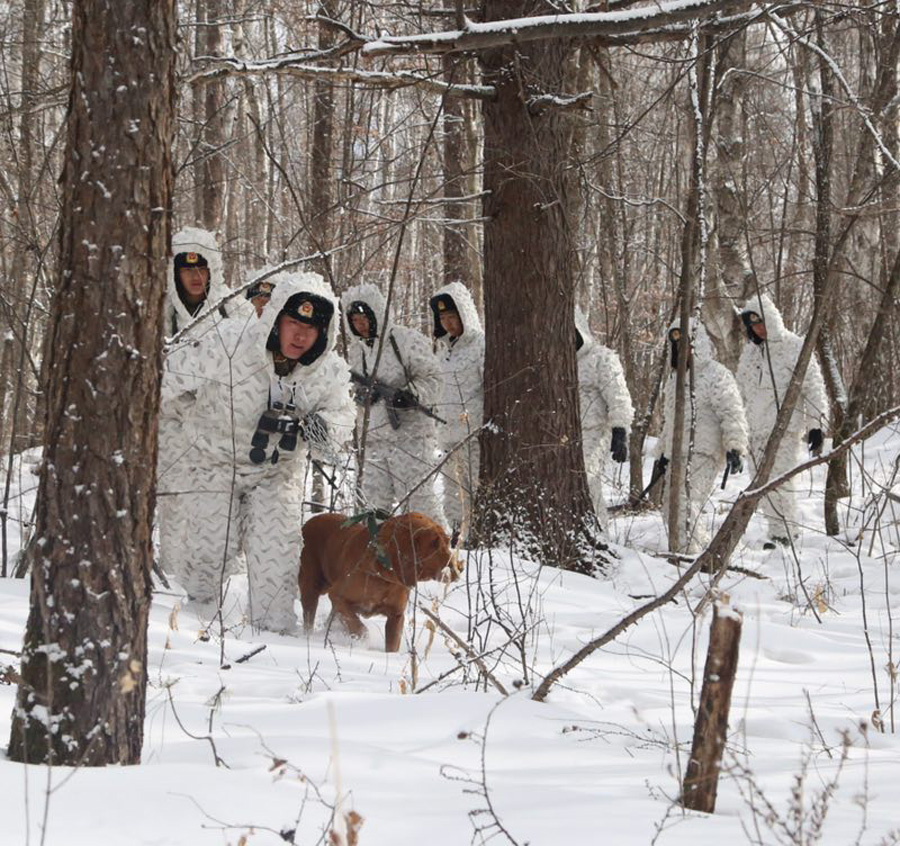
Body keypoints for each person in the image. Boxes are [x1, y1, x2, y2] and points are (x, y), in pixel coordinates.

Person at [163, 271, 354, 632]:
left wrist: (326, 427)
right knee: (208, 552)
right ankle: (196, 626)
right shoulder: (229, 343)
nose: (299, 335)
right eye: (293, 323)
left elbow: (344, 414)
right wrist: (174, 425)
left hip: (276, 473)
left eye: (310, 329)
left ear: (323, 334)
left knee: (277, 558)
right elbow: (165, 378)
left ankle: (275, 635)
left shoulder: (326, 372)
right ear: (277, 317)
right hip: (213, 464)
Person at [158, 228, 231, 583]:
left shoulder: (234, 311)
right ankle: (172, 594)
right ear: (175, 272)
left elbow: (246, 368)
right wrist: (196, 372)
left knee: (216, 522)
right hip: (171, 433)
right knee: (173, 514)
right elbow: (149, 378)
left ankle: (214, 600)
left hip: (218, 435)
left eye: (202, 268)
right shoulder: (160, 313)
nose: (196, 277)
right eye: (187, 270)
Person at [341, 283, 446, 526]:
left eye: (364, 318)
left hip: (411, 438)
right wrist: (361, 396)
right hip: (374, 440)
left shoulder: (406, 341)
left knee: (419, 506)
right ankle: (376, 556)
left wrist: (411, 394)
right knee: (372, 507)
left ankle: (437, 557)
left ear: (377, 314)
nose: (360, 325)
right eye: (354, 320)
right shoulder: (356, 352)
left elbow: (434, 378)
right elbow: (350, 388)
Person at [736, 293, 829, 547]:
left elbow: (812, 388)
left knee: (781, 483)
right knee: (761, 485)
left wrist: (815, 426)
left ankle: (786, 534)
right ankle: (775, 531)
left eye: (761, 322)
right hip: (755, 432)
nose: (759, 329)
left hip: (784, 431)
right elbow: (739, 393)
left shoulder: (794, 347)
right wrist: (737, 432)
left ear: (772, 321)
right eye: (753, 325)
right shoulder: (749, 355)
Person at [656, 318, 749, 553]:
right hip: (678, 452)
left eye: (686, 343)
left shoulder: (716, 374)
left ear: (697, 344)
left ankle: (691, 554)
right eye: (676, 345)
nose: (681, 349)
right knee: (670, 505)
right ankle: (689, 549)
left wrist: (735, 447)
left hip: (704, 450)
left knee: (686, 502)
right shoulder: (674, 380)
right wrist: (663, 454)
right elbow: (670, 422)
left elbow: (732, 412)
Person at [429, 283, 484, 541]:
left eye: (452, 317)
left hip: (472, 433)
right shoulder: (442, 350)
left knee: (471, 488)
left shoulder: (479, 346)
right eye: (443, 318)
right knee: (451, 489)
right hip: (447, 433)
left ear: (464, 315)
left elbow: (489, 387)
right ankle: (455, 534)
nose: (448, 323)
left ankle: (472, 535)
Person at [574, 307, 634, 531]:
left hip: (595, 431)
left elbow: (619, 396)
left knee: (586, 481)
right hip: (566, 434)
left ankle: (598, 533)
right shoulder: (558, 362)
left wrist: (620, 431)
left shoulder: (602, 358)